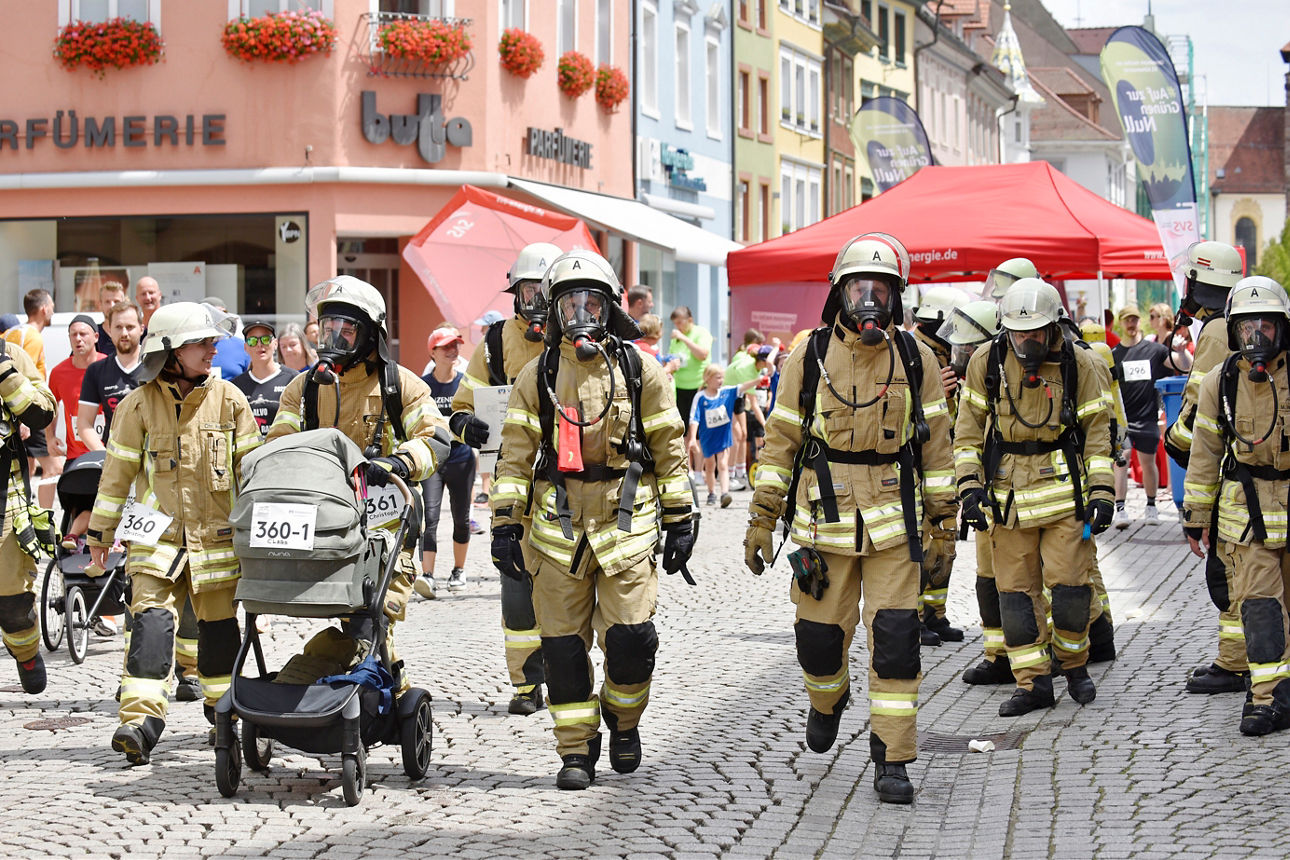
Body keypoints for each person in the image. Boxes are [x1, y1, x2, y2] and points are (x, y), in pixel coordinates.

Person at [744, 232, 955, 805]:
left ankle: (893, 759)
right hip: (822, 526)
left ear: (897, 299)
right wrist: (762, 519)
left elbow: (938, 449)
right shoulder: (808, 356)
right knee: (817, 641)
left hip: (894, 526)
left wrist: (944, 527)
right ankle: (826, 699)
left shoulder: (916, 359)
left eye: (881, 290)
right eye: (859, 288)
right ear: (839, 293)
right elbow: (780, 441)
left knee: (894, 642)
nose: (870, 301)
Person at [490, 248, 693, 790]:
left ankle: (623, 723)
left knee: (631, 641)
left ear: (610, 309)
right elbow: (513, 454)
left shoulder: (639, 368)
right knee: (561, 650)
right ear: (555, 311)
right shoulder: (538, 375)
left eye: (593, 303)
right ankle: (575, 750)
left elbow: (669, 446)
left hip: (626, 524)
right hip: (557, 528)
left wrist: (680, 518)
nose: (582, 313)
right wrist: (506, 522)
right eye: (571, 303)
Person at [86, 302, 261, 765]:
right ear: (170, 351)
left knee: (219, 633)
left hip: (217, 543)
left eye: (212, 340)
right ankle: (140, 721)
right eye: (201, 342)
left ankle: (224, 711)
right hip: (156, 542)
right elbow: (116, 476)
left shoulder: (231, 400)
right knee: (150, 626)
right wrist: (99, 537)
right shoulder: (137, 404)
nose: (213, 348)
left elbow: (254, 473)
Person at [267, 275, 451, 697]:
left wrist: (398, 463)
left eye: (347, 330)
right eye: (328, 328)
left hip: (386, 529)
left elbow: (436, 440)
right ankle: (364, 686)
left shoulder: (398, 384)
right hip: (323, 524)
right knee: (350, 618)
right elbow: (278, 444)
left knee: (373, 613)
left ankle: (380, 695)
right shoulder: (304, 388)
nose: (334, 337)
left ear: (370, 335)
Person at [955, 278, 1114, 717]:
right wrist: (969, 488)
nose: (1026, 342)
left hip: (1067, 499)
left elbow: (1098, 434)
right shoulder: (986, 363)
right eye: (1018, 333)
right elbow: (966, 434)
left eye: (1035, 333)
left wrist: (1102, 492)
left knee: (1070, 592)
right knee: (1016, 598)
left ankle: (1075, 666)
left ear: (1053, 328)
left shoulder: (1077, 364)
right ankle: (1034, 684)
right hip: (1007, 502)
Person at [449, 242, 560, 716]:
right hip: (512, 486)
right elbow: (458, 407)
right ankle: (525, 684)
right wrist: (467, 426)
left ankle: (566, 676)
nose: (533, 301)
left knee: (564, 588)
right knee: (516, 589)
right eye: (526, 291)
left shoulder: (576, 339)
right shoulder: (494, 343)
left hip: (567, 487)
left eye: (542, 292)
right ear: (514, 293)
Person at [1184, 276, 1290, 736]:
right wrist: (1195, 517)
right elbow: (1205, 452)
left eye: (1266, 325)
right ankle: (1269, 699)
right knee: (1261, 607)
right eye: (1247, 327)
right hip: (1248, 518)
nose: (1257, 336)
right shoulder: (1219, 381)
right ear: (1233, 331)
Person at [1162, 241, 1250, 695]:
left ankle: (1236, 663)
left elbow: (1200, 409)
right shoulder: (1237, 324)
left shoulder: (1216, 331)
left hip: (1227, 474)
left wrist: (1173, 442)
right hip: (1246, 468)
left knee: (1229, 568)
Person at [910, 285, 971, 647]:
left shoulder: (943, 356)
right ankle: (913, 616)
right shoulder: (911, 355)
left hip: (942, 469)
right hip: (917, 470)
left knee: (944, 541)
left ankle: (935, 612)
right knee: (918, 544)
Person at [0, 335, 57, 695]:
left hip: (4, 497)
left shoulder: (10, 355)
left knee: (12, 602)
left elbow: (42, 412)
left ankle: (26, 652)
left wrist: (6, 376)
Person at [418, 328, 476, 599]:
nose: (452, 351)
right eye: (445, 347)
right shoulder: (422, 386)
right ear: (432, 352)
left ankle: (458, 570)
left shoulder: (466, 383)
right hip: (432, 460)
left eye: (455, 346)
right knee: (429, 518)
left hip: (462, 458)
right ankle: (427, 575)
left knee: (461, 519)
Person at [1111, 304, 1171, 527]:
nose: (1131, 324)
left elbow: (1180, 365)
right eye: (1127, 320)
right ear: (1121, 323)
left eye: (1134, 320)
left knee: (1147, 462)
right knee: (1122, 459)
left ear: (1139, 322)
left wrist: (1182, 352)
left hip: (1147, 418)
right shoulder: (1114, 355)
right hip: (1123, 420)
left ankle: (1151, 506)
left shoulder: (1154, 351)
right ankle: (1120, 509)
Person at [47, 315, 104, 547]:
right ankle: (74, 540)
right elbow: (50, 406)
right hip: (76, 457)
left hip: (107, 453)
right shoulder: (59, 372)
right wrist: (50, 437)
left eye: (84, 334)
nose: (78, 339)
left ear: (96, 337)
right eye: (74, 335)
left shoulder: (107, 366)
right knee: (78, 501)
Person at [6, 289, 60, 509]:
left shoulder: (9, 333)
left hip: (15, 410)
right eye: (52, 308)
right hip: (29, 409)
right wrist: (25, 418)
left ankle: (22, 512)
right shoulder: (33, 336)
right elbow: (18, 377)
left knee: (25, 464)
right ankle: (43, 519)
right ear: (44, 309)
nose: (52, 313)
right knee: (54, 467)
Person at [687, 364, 758, 507]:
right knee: (710, 465)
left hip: (723, 436)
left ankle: (725, 493)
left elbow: (742, 387)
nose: (721, 380)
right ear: (708, 378)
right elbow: (694, 418)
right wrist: (693, 439)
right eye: (718, 377)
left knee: (723, 464)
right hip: (708, 437)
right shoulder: (700, 397)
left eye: (722, 378)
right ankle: (711, 492)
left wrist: (758, 380)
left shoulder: (727, 392)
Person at [78, 302, 144, 454]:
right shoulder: (96, 370)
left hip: (152, 460)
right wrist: (104, 456)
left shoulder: (156, 367)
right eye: (118, 327)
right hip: (114, 461)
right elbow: (84, 423)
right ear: (109, 330)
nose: (124, 333)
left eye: (130, 327)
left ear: (141, 329)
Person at [230, 320, 297, 437]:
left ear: (275, 344)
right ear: (245, 347)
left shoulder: (293, 379)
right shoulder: (235, 386)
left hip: (284, 451)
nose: (259, 345)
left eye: (265, 339)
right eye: (252, 341)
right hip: (250, 453)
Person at [723, 330, 765, 492]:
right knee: (736, 435)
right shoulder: (745, 365)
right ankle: (730, 475)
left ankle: (740, 473)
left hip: (738, 396)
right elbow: (753, 403)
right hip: (728, 396)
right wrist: (766, 424)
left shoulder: (749, 360)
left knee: (743, 434)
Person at [668, 306, 712, 430]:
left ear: (690, 320)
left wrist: (683, 338)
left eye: (680, 322)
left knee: (698, 428)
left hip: (698, 385)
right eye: (675, 323)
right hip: (680, 387)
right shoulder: (675, 338)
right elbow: (672, 357)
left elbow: (702, 355)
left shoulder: (701, 333)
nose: (677, 326)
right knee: (684, 427)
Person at [201, 297, 249, 380]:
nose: (220, 317)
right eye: (214, 314)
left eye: (223, 313)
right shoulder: (190, 347)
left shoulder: (242, 346)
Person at [1147, 302, 1192, 372]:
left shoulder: (1173, 339)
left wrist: (1182, 352)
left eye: (1152, 317)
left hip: (1172, 381)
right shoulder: (1154, 339)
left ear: (1163, 319)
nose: (1149, 320)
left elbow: (1190, 364)